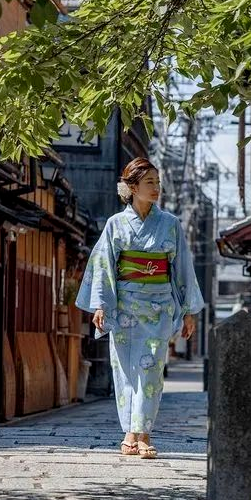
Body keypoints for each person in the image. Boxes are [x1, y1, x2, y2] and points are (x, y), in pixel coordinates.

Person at [75, 157, 204, 457]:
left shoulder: (170, 224)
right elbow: (104, 265)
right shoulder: (115, 224)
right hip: (123, 308)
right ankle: (129, 433)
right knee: (125, 371)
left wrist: (188, 311)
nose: (156, 188)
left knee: (150, 370)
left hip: (158, 308)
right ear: (131, 187)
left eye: (158, 183)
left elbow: (182, 267)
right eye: (150, 183)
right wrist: (101, 306)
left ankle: (144, 434)